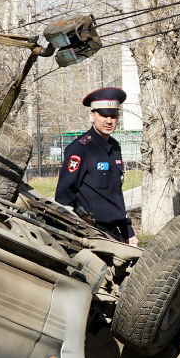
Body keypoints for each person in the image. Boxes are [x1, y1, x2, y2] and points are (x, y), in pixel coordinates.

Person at [57, 87, 137, 245]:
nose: (109, 121)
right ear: (91, 116)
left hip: (112, 233)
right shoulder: (80, 148)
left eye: (113, 116)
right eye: (103, 115)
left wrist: (128, 232)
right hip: (90, 234)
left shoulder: (114, 147)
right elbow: (64, 196)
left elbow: (115, 194)